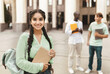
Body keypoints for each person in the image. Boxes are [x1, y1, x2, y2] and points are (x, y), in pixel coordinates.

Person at [16, 9, 56, 74]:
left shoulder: (49, 39)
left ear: (44, 21)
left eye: (40, 19)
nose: (38, 22)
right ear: (30, 22)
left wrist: (52, 55)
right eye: (34, 19)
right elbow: (19, 61)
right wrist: (39, 66)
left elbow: (50, 61)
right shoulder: (24, 37)